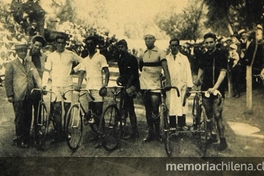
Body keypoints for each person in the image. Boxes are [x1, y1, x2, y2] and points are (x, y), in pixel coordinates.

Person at [42, 35, 83, 143]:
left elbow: (83, 61)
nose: (60, 45)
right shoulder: (51, 56)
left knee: (67, 109)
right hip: (56, 86)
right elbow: (46, 70)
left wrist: (75, 69)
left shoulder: (70, 54)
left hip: (68, 85)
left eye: (62, 43)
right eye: (58, 42)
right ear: (55, 43)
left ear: (65, 44)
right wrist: (44, 84)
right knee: (56, 110)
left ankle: (66, 131)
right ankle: (58, 133)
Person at [73, 36, 110, 147]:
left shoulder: (101, 57)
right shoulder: (85, 59)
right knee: (91, 113)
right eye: (87, 44)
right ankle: (96, 133)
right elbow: (81, 73)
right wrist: (78, 86)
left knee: (98, 114)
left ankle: (101, 138)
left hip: (98, 89)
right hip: (89, 89)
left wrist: (105, 85)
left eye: (91, 44)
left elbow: (106, 72)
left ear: (95, 45)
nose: (89, 46)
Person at [4, 43, 42, 148]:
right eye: (20, 51)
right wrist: (10, 95)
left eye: (24, 51)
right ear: (17, 52)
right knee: (20, 118)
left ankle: (26, 137)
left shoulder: (30, 63)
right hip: (18, 95)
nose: (23, 53)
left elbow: (36, 76)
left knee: (28, 117)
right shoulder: (11, 64)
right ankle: (19, 139)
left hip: (29, 95)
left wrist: (41, 86)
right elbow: (8, 81)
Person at [195, 32, 228, 151]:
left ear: (215, 42)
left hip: (217, 89)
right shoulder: (203, 55)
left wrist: (215, 87)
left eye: (211, 42)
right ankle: (212, 135)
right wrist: (198, 79)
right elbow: (201, 68)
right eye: (206, 43)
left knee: (218, 115)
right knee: (208, 115)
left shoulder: (221, 55)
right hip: (205, 88)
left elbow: (223, 72)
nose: (209, 45)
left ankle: (223, 140)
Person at [139, 31, 171, 142]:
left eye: (150, 38)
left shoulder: (160, 52)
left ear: (154, 40)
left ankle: (158, 133)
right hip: (144, 84)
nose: (148, 41)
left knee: (155, 110)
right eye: (146, 38)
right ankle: (150, 133)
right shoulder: (143, 53)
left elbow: (165, 68)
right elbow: (141, 67)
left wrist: (168, 81)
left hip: (155, 84)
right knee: (147, 110)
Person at [165, 38, 193, 131]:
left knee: (182, 104)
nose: (173, 47)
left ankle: (182, 124)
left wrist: (189, 86)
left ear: (178, 46)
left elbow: (188, 72)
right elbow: (164, 72)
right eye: (172, 45)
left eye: (175, 45)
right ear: (170, 47)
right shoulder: (166, 58)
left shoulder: (184, 58)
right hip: (171, 86)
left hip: (182, 85)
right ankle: (172, 125)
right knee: (171, 105)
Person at [116, 39, 140, 139]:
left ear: (126, 48)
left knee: (129, 107)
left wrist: (128, 87)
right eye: (119, 47)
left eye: (122, 47)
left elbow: (134, 75)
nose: (120, 49)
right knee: (123, 106)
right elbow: (123, 73)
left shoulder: (132, 58)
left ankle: (134, 131)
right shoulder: (120, 58)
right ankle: (123, 128)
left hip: (133, 84)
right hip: (125, 84)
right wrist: (119, 78)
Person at [27, 35, 47, 138]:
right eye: (36, 45)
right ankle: (25, 134)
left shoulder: (43, 56)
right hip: (28, 87)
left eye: (40, 46)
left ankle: (37, 131)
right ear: (32, 44)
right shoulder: (26, 55)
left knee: (38, 110)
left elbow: (45, 70)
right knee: (26, 112)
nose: (37, 48)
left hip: (38, 87)